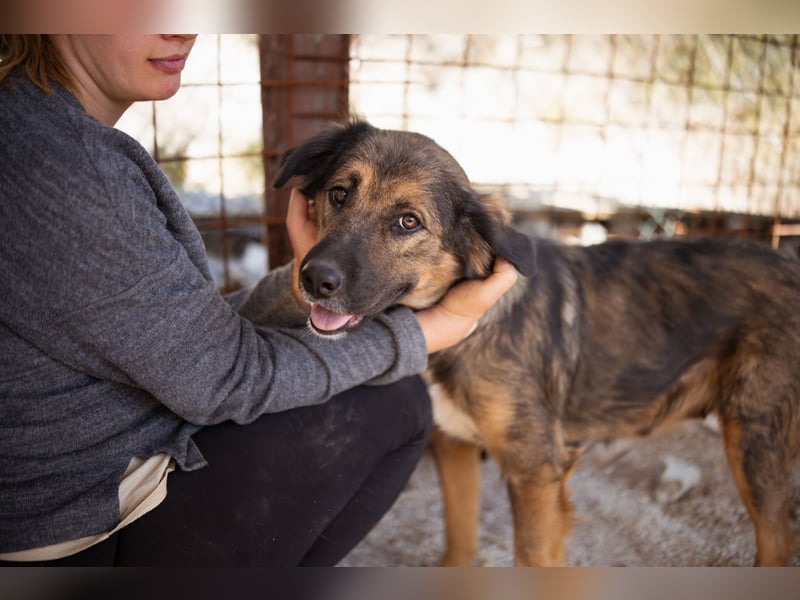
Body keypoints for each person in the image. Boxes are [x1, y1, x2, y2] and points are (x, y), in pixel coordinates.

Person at [0, 35, 518, 566]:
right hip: (73, 529)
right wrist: (421, 334)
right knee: (396, 403)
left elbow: (180, 341)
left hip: (77, 486)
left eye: (406, 222)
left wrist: (298, 286)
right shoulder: (64, 163)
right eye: (341, 195)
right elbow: (221, 378)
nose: (182, 27)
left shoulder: (35, 127)